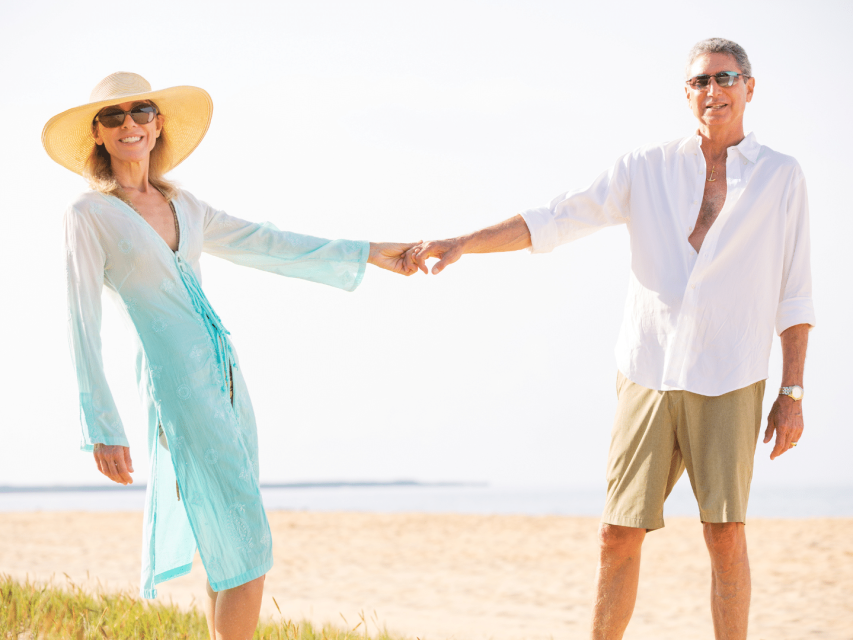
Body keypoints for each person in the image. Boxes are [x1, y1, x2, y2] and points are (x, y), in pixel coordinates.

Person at [407, 38, 814, 640]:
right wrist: (465, 241)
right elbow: (557, 217)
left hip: (730, 373)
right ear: (687, 94)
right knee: (616, 533)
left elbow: (795, 290)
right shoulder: (644, 168)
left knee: (725, 534)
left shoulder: (782, 177)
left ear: (749, 88)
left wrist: (793, 391)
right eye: (700, 81)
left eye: (726, 78)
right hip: (647, 372)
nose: (713, 90)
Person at [43, 72, 416, 640]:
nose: (129, 125)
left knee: (227, 543)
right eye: (113, 117)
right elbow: (80, 324)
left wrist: (369, 253)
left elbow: (268, 242)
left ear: (158, 122)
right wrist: (101, 423)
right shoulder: (88, 215)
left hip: (228, 380)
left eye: (140, 111)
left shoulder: (184, 204)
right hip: (176, 389)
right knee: (249, 544)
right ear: (97, 133)